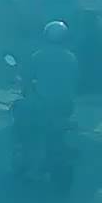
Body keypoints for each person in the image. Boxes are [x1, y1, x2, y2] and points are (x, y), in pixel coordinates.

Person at [14, 20, 79, 151]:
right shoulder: (71, 57)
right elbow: (75, 80)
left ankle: (23, 144)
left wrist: (28, 90)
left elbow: (26, 77)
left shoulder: (38, 56)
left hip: (43, 101)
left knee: (19, 108)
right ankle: (59, 142)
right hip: (66, 103)